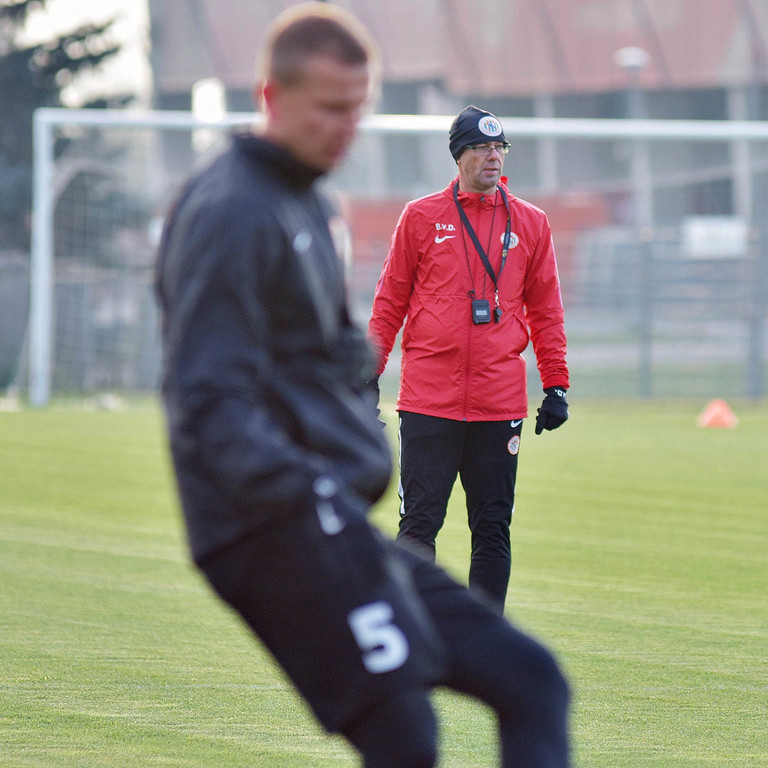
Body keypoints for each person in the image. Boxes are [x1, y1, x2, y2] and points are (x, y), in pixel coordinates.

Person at [156, 5, 570, 766]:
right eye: (328, 108)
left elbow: (334, 349)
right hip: (265, 531)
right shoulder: (230, 211)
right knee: (406, 734)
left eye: (359, 108)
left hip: (330, 515)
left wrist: (354, 393)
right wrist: (306, 487)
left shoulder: (309, 200)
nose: (346, 127)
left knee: (533, 678)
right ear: (269, 97)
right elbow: (205, 405)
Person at [368, 105, 570, 616]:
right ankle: (413, 633)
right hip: (427, 401)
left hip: (497, 402)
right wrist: (366, 375)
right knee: (418, 526)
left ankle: (487, 643)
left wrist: (557, 385)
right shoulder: (420, 217)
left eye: (500, 147)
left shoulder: (531, 223)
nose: (493, 157)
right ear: (460, 155)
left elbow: (546, 310)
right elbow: (389, 301)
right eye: (482, 147)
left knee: (493, 528)